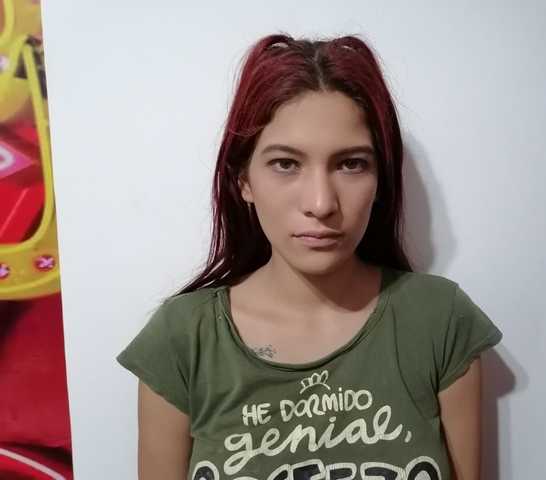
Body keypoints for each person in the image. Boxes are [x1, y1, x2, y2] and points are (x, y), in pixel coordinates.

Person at [116, 32, 503, 480]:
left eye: (351, 164)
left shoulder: (439, 322)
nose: (321, 203)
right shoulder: (182, 341)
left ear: (380, 179)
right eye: (286, 164)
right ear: (243, 180)